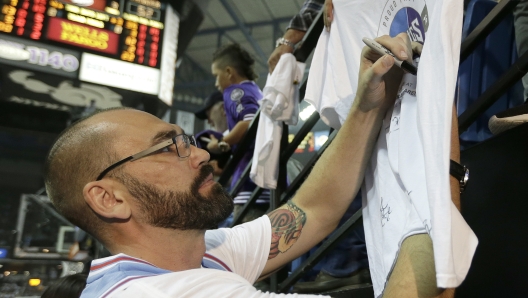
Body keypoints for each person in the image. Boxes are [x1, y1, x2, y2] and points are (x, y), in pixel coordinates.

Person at [43, 35, 427, 297]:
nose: (202, 155)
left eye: (186, 141)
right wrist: (435, 167)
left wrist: (365, 104)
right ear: (108, 199)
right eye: (167, 148)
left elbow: (311, 210)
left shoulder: (195, 254)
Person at [208, 43, 270, 222]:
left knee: (248, 246)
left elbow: (249, 122)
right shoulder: (255, 90)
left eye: (216, 76)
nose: (216, 83)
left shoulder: (235, 91)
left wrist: (221, 143)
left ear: (228, 72)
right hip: (264, 180)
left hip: (249, 186)